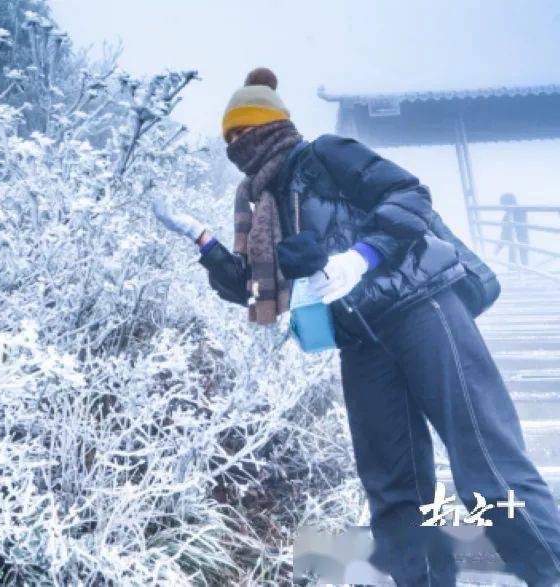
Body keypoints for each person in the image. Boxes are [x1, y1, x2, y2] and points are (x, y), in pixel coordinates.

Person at [152, 67, 560, 586]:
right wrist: (204, 242)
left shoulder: (325, 155)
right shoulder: (263, 204)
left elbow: (410, 196)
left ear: (270, 124)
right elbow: (254, 290)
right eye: (229, 136)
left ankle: (549, 569)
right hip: (360, 341)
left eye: (243, 130)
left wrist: (360, 258)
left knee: (482, 454)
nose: (236, 144)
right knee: (392, 483)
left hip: (421, 307)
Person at [495, 192, 530, 266]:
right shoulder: (520, 211)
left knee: (514, 265)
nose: (501, 206)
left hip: (515, 242)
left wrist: (496, 251)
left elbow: (505, 234)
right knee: (523, 263)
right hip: (520, 241)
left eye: (502, 204)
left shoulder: (510, 214)